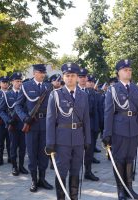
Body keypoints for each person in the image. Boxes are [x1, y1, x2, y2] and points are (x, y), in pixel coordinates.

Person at [45, 63, 91, 200]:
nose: (70, 78)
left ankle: (74, 197)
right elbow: (50, 121)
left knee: (76, 170)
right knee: (61, 172)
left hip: (78, 139)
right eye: (67, 75)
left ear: (77, 77)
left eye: (73, 76)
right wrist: (50, 143)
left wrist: (87, 139)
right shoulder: (56, 95)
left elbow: (87, 119)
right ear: (63, 77)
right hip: (62, 140)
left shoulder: (83, 95)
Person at [103, 59, 138, 200]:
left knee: (130, 159)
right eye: (125, 70)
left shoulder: (136, 89)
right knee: (119, 159)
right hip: (118, 129)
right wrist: (107, 133)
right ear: (119, 72)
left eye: (130, 70)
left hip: (133, 129)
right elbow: (108, 113)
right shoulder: (113, 90)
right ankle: (121, 189)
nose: (129, 72)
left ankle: (129, 188)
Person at [15, 64, 53, 192]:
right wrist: (24, 118)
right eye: (40, 72)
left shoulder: (48, 86)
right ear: (34, 73)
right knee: (32, 154)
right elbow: (18, 106)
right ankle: (33, 180)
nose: (43, 75)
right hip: (31, 125)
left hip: (46, 125)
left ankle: (42, 179)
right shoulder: (26, 86)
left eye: (44, 72)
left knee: (44, 154)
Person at [0, 72, 29, 176]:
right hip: (13, 125)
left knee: (23, 147)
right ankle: (14, 166)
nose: (19, 83)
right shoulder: (7, 95)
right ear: (12, 82)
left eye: (20, 81)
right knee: (13, 147)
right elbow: (1, 110)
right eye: (17, 81)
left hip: (23, 125)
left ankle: (21, 166)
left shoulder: (25, 94)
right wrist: (8, 120)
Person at [77, 69, 100, 181]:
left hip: (90, 126)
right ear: (77, 78)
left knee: (89, 151)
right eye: (80, 77)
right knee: (76, 151)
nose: (82, 79)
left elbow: (95, 111)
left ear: (86, 78)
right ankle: (75, 173)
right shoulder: (73, 91)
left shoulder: (91, 92)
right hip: (76, 127)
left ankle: (88, 171)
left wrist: (96, 128)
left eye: (84, 77)